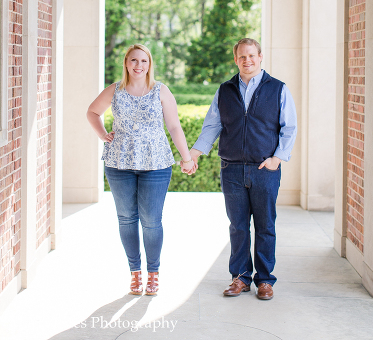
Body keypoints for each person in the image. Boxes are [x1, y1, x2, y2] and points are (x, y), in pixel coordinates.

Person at [189, 38, 297, 300]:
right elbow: (212, 125)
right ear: (235, 60)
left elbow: (289, 127)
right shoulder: (225, 90)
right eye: (241, 57)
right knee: (237, 226)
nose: (247, 61)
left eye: (251, 56)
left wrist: (277, 158)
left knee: (265, 226)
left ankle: (265, 280)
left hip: (264, 169)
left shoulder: (278, 89)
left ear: (260, 57)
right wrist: (194, 152)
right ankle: (239, 278)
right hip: (232, 169)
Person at [87, 44, 197, 296]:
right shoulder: (115, 90)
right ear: (126, 63)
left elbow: (174, 127)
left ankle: (154, 274)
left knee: (151, 221)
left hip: (155, 164)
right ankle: (135, 274)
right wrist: (104, 135)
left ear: (149, 65)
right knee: (126, 219)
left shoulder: (161, 91)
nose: (139, 65)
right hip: (119, 164)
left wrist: (187, 158)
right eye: (134, 60)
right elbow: (92, 112)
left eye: (144, 61)